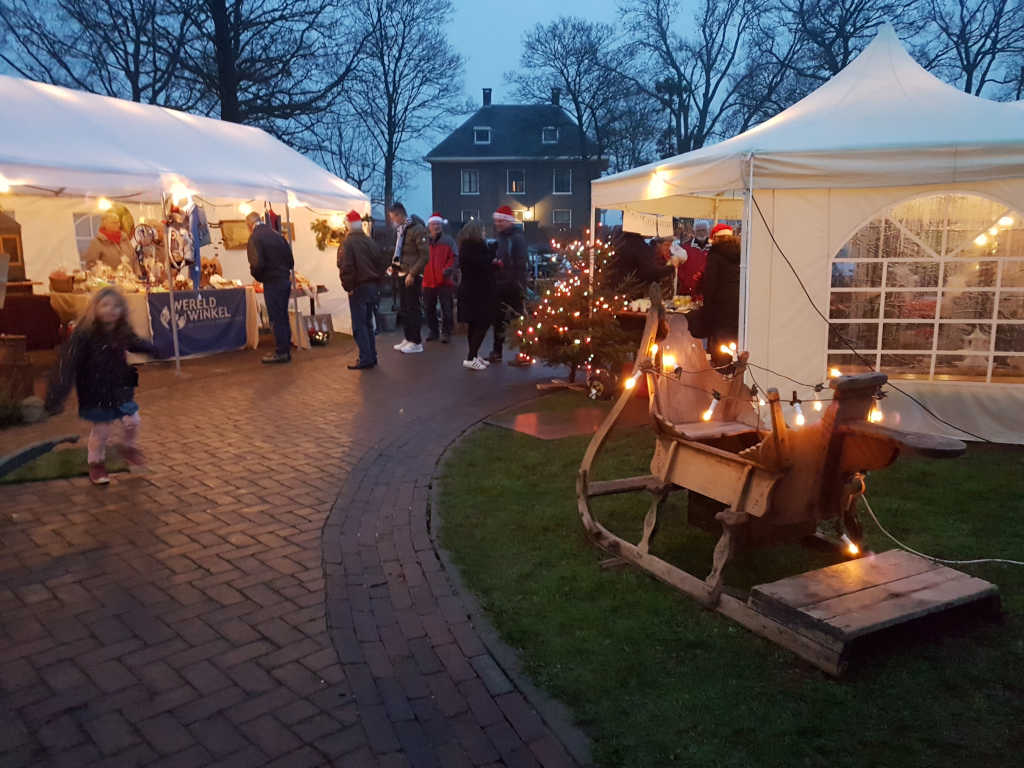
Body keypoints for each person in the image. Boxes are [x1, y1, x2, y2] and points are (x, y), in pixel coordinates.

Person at [45, 287, 156, 485]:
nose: (110, 310)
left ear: (122, 310)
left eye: (116, 306)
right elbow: (68, 363)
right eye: (105, 305)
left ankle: (128, 448)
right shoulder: (84, 334)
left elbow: (136, 343)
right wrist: (57, 394)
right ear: (95, 308)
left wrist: (155, 349)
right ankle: (96, 463)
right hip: (95, 391)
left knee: (133, 421)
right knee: (102, 430)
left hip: (120, 388)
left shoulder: (122, 331)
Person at [685, 233, 741, 367]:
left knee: (719, 343)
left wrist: (707, 309)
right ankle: (732, 371)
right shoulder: (739, 254)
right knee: (732, 343)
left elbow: (710, 285)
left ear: (715, 239)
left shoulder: (715, 255)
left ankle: (720, 372)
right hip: (737, 305)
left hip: (720, 306)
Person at [246, 210, 294, 364]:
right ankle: (285, 349)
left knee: (276, 317)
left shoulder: (255, 238)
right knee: (283, 315)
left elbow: (256, 263)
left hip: (272, 282)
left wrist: (260, 278)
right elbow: (290, 261)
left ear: (249, 225)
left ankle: (281, 352)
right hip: (284, 280)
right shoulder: (278, 235)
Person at [338, 210, 384, 370]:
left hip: (358, 287)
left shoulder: (348, 243)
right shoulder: (369, 241)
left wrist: (348, 287)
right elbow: (380, 263)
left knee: (359, 325)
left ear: (349, 225)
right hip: (372, 287)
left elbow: (347, 267)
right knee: (368, 324)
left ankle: (365, 357)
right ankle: (372, 355)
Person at [388, 202, 430, 354]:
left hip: (412, 274)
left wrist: (413, 273)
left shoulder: (417, 230)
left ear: (400, 214)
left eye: (393, 218)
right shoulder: (401, 230)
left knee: (413, 308)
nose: (393, 221)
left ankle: (416, 341)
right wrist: (394, 266)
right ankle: (408, 338)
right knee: (404, 307)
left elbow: (425, 255)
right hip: (402, 272)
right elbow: (400, 251)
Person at [488, 205, 528, 363]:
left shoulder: (517, 239)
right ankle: (497, 352)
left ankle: (525, 353)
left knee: (518, 321)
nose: (497, 223)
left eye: (501, 221)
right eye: (496, 221)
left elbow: (520, 262)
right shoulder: (500, 238)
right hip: (500, 284)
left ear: (508, 221)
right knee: (498, 319)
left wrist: (505, 268)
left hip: (514, 285)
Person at [455, 219, 496, 370]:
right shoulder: (472, 248)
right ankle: (471, 357)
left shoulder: (467, 247)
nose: (485, 233)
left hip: (473, 291)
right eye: (483, 230)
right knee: (482, 323)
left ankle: (474, 354)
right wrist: (492, 254)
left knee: (474, 324)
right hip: (477, 292)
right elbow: (482, 264)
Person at [605, 226, 674, 295]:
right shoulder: (639, 246)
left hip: (613, 288)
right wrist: (671, 267)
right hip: (630, 291)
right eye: (666, 245)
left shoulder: (619, 238)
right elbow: (650, 273)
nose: (653, 233)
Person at [423, 213, 457, 344]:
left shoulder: (448, 241)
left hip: (444, 280)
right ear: (429, 226)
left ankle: (447, 332)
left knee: (446, 308)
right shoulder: (424, 241)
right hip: (428, 279)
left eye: (438, 224)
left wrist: (448, 269)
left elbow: (454, 257)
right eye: (433, 224)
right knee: (428, 308)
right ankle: (433, 331)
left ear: (441, 226)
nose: (436, 226)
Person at [676, 219, 711, 297]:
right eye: (699, 230)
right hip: (688, 291)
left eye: (703, 230)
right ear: (694, 232)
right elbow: (679, 267)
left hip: (707, 291)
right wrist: (686, 282)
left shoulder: (713, 249)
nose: (701, 233)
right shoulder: (685, 247)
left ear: (708, 231)